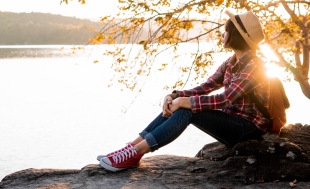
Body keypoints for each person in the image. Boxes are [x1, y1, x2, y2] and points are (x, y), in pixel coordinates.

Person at [97, 10, 270, 172]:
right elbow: (205, 87)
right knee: (184, 105)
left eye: (226, 31)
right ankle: (131, 147)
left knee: (188, 110)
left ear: (237, 35)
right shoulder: (231, 62)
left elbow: (225, 99)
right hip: (232, 122)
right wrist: (175, 96)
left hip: (247, 129)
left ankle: (136, 153)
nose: (222, 34)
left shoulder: (254, 65)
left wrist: (185, 102)